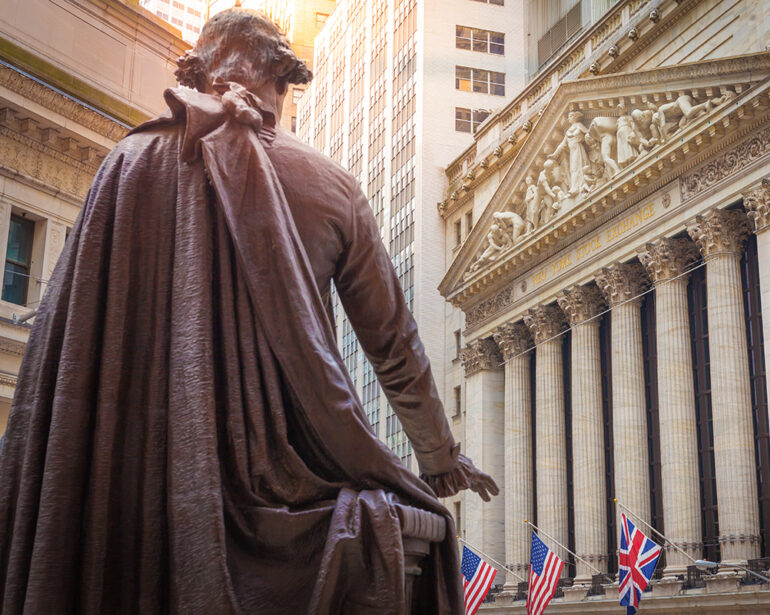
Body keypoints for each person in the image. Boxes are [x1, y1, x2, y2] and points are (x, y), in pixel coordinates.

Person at [0, 9, 496, 615]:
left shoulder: (125, 164)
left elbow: (68, 349)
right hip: (291, 481)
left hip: (133, 483)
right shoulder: (333, 185)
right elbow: (394, 346)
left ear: (194, 72)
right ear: (282, 86)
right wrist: (440, 459)